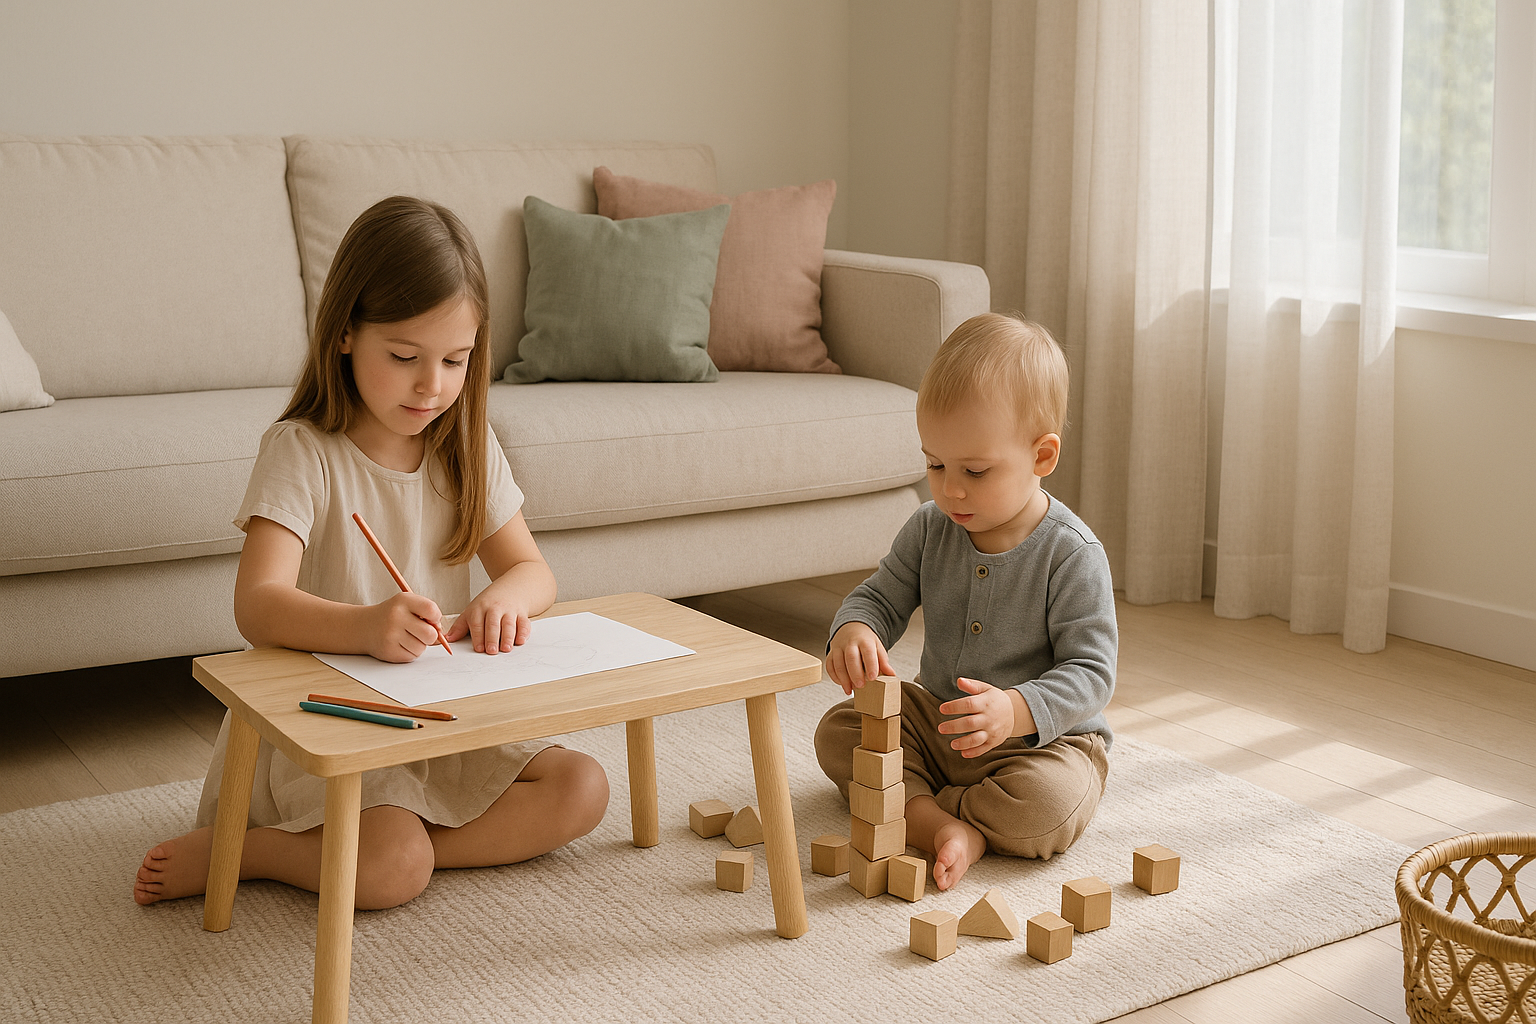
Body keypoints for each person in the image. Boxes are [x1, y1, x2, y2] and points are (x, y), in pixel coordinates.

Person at [134, 196, 608, 909]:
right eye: (405, 357)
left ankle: (407, 850)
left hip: (438, 713)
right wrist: (363, 627)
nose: (433, 386)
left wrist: (505, 597)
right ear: (346, 333)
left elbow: (532, 571)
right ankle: (257, 849)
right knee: (390, 865)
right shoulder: (303, 452)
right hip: (335, 716)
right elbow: (256, 606)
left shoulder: (465, 445)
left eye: (456, 360)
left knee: (584, 787)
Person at [816, 312, 1116, 892]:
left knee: (1050, 802)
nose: (950, 487)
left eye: (975, 471)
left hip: (1040, 742)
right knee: (839, 733)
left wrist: (1015, 710)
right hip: (941, 721)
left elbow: (1092, 674)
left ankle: (936, 816)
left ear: (1042, 457)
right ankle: (942, 823)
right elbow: (880, 596)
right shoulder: (931, 528)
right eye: (935, 463)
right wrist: (854, 628)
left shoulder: (1072, 554)